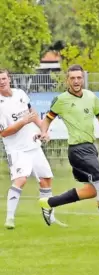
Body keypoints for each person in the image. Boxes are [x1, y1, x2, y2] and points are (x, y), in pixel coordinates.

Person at [38, 64, 99, 236]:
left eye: (79, 78)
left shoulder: (91, 96)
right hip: (77, 150)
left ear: (82, 78)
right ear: (67, 80)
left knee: (93, 190)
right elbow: (47, 119)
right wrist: (43, 132)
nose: (76, 81)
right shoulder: (61, 100)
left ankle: (49, 203)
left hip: (90, 148)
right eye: (72, 78)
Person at [0, 68, 66, 229]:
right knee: (21, 179)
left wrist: (43, 130)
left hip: (33, 146)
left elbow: (33, 113)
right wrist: (23, 122)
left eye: (3, 79)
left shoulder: (20, 93)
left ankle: (50, 217)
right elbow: (3, 132)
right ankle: (9, 219)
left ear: (9, 79)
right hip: (17, 150)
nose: (1, 82)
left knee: (46, 179)